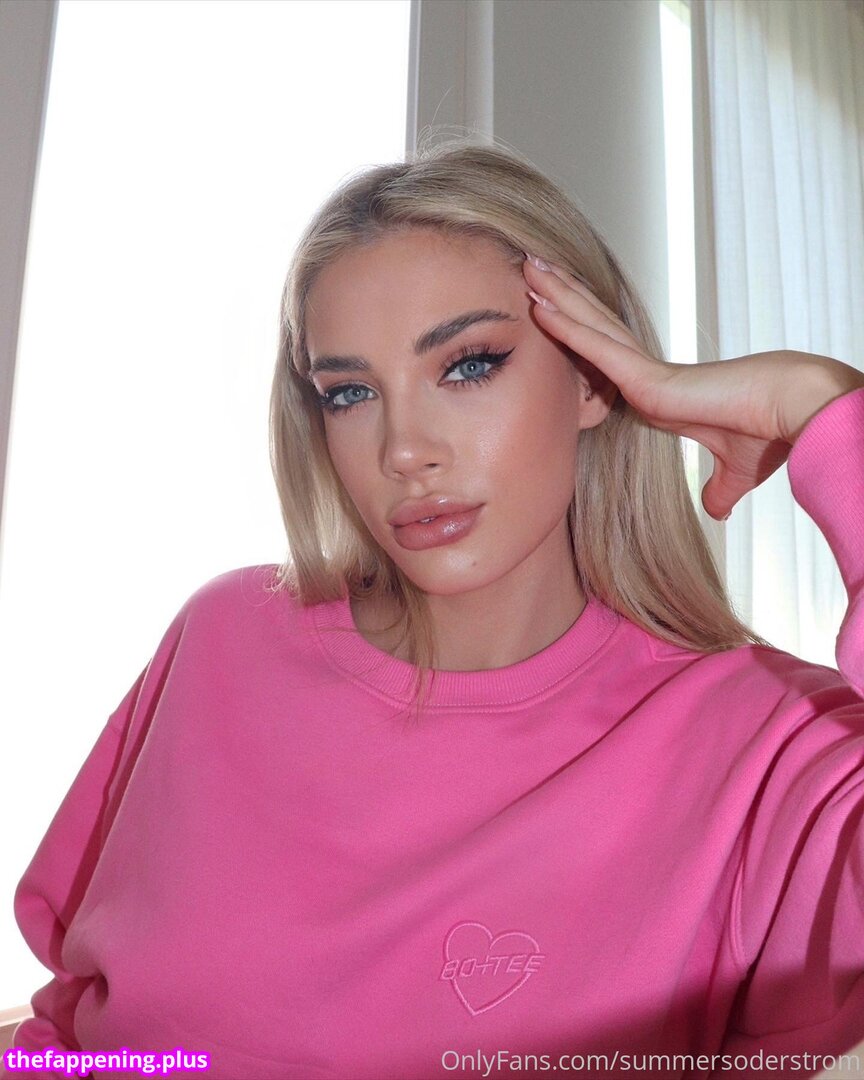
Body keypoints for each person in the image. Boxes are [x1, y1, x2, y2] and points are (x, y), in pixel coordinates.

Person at [7, 137, 864, 1080]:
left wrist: (819, 405)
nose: (404, 450)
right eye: (350, 392)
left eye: (467, 366)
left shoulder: (772, 745)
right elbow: (74, 1030)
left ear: (593, 377)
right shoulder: (223, 641)